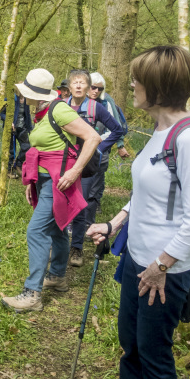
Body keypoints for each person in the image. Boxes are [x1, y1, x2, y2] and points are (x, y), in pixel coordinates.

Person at [87, 46, 190, 379]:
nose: (132, 84)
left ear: (157, 86)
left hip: (164, 272)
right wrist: (114, 224)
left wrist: (161, 265)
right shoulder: (160, 131)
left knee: (155, 356)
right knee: (132, 346)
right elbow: (144, 194)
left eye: (138, 79)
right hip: (136, 261)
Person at [1, 69, 101, 313]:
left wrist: (75, 171)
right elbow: (43, 148)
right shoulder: (41, 112)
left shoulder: (59, 110)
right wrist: (30, 181)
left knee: (36, 231)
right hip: (45, 180)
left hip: (59, 182)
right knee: (56, 229)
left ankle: (32, 294)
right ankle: (57, 276)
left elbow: (93, 137)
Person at [65, 69, 126, 268]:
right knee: (62, 203)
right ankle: (59, 245)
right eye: (76, 82)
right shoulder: (60, 107)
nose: (79, 86)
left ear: (89, 87)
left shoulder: (95, 108)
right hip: (64, 163)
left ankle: (76, 248)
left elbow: (117, 130)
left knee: (82, 204)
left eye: (83, 83)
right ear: (69, 86)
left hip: (88, 165)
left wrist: (99, 149)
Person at [88, 72, 130, 158]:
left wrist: (120, 145)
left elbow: (116, 126)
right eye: (93, 87)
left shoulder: (106, 101)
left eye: (100, 89)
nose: (96, 91)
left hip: (101, 147)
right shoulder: (78, 100)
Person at [9, 94, 32, 179]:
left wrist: (30, 128)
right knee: (11, 150)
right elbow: (2, 113)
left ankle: (18, 164)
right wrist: (10, 122)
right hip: (12, 128)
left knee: (27, 146)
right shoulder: (12, 99)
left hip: (23, 127)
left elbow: (27, 115)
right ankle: (9, 170)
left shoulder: (26, 100)